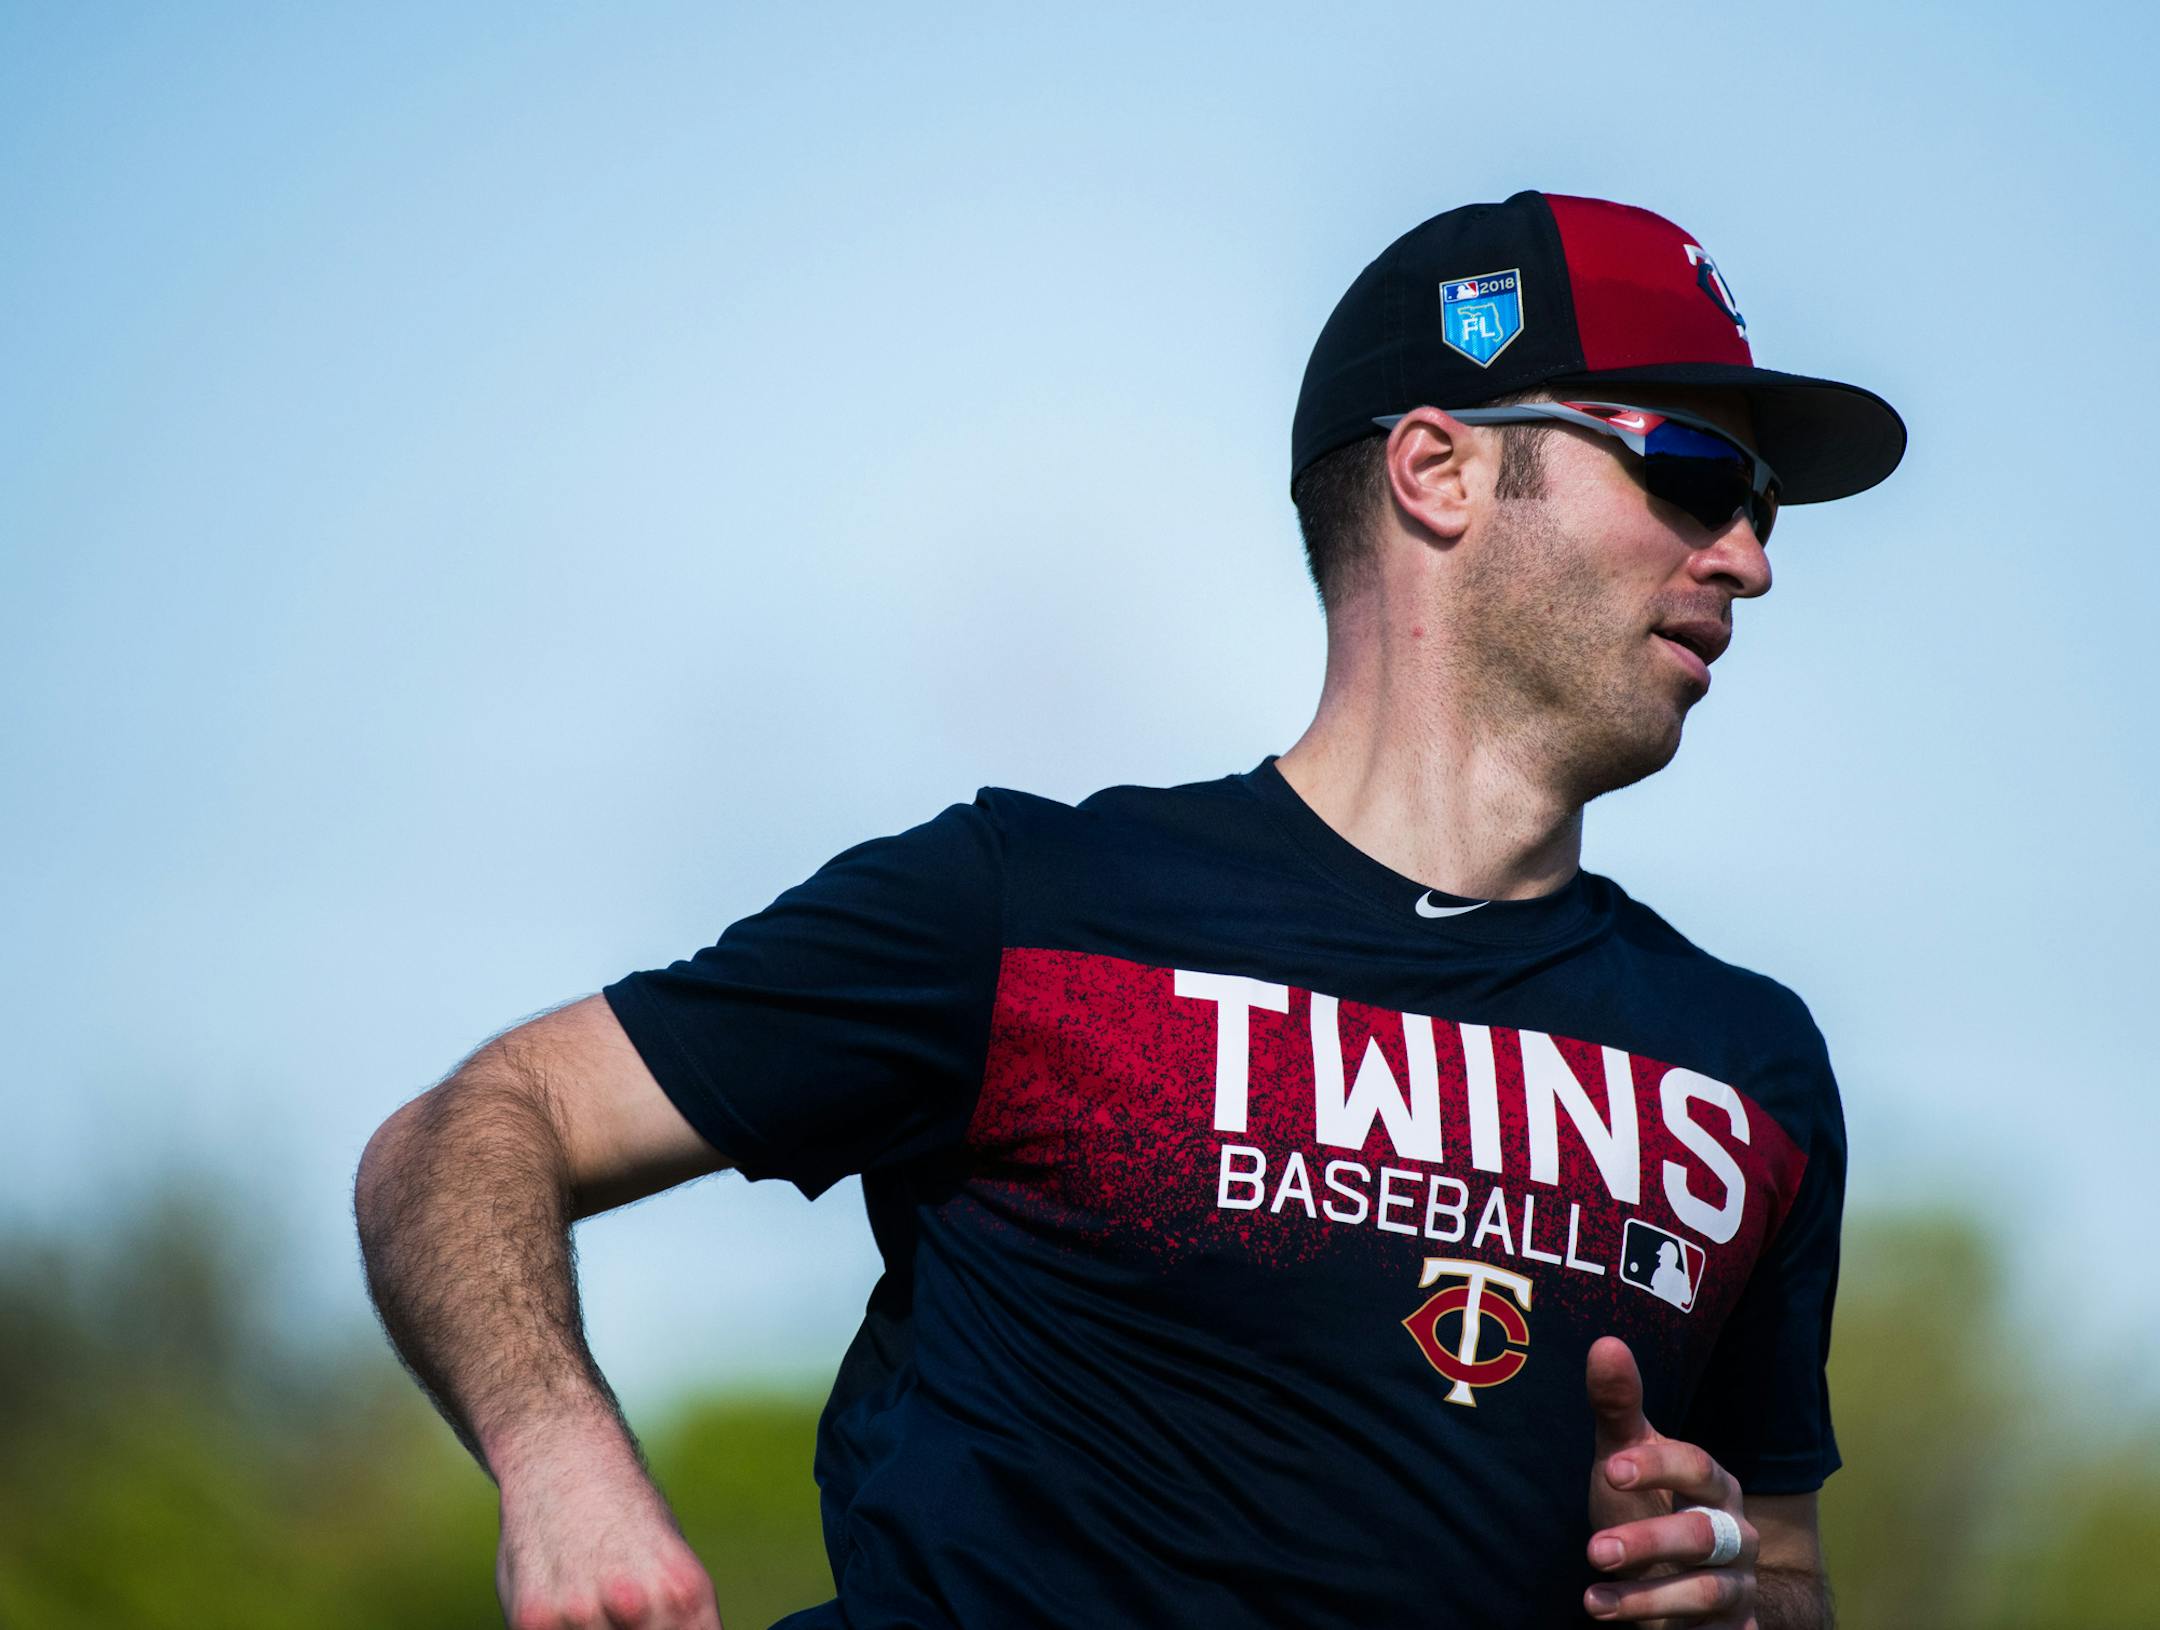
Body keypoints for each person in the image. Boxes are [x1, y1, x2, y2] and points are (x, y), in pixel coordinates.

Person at [356, 189, 1905, 1630]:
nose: (1751, 560)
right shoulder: (1025, 915)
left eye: (1763, 499)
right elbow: (473, 1128)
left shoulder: (1746, 1071)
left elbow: (1778, 1567)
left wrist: (1733, 1591)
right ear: (1437, 469)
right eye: (1691, 471)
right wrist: (562, 1460)